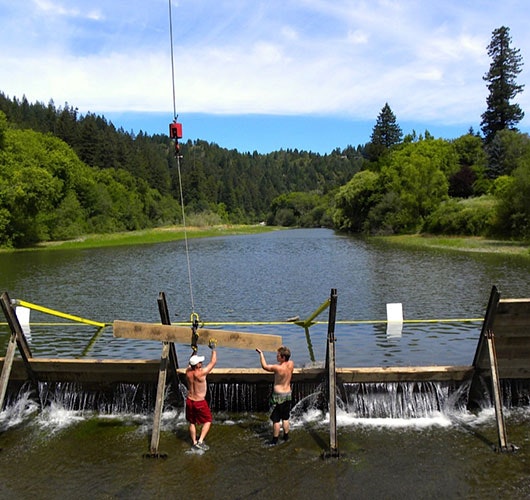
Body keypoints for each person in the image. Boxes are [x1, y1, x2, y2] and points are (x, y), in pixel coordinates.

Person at [256, 345, 294, 445]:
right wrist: (282, 348)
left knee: (276, 420)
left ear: (283, 357)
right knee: (285, 418)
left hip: (278, 396)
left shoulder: (277, 368)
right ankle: (286, 437)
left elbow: (264, 366)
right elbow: (286, 354)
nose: (276, 357)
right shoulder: (291, 364)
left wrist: (261, 354)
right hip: (288, 394)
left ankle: (274, 440)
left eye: (278, 356)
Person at [185, 340, 217, 450]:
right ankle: (200, 441)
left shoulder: (188, 372)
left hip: (189, 400)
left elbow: (190, 362)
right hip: (199, 402)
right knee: (208, 420)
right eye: (200, 362)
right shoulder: (202, 373)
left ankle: (194, 442)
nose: (201, 363)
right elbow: (213, 362)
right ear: (197, 365)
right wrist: (213, 349)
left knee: (192, 422)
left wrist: (194, 351)